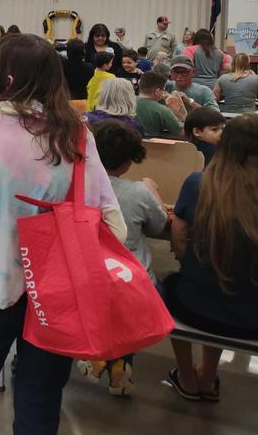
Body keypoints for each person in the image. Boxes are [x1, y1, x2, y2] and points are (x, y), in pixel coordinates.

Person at [0, 33, 126, 435]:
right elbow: (115, 228)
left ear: (6, 79)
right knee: (40, 401)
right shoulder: (76, 135)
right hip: (56, 295)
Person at [165, 114, 258, 401]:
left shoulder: (197, 184)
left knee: (173, 285)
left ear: (224, 144)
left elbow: (179, 246)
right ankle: (207, 375)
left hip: (198, 309)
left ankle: (187, 376)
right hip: (251, 317)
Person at [78, 120, 169, 396]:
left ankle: (96, 354)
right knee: (151, 292)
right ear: (128, 162)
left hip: (85, 277)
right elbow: (159, 226)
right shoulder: (138, 192)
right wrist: (152, 190)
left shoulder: (75, 186)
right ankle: (120, 365)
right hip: (130, 282)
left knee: (102, 302)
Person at [135, 71, 185, 139]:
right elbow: (181, 133)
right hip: (153, 144)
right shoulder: (162, 110)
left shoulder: (128, 103)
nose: (164, 93)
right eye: (163, 90)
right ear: (157, 92)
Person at [62, 38, 94, 107]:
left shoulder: (61, 64)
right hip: (82, 98)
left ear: (68, 51)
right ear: (83, 51)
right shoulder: (89, 67)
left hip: (65, 97)